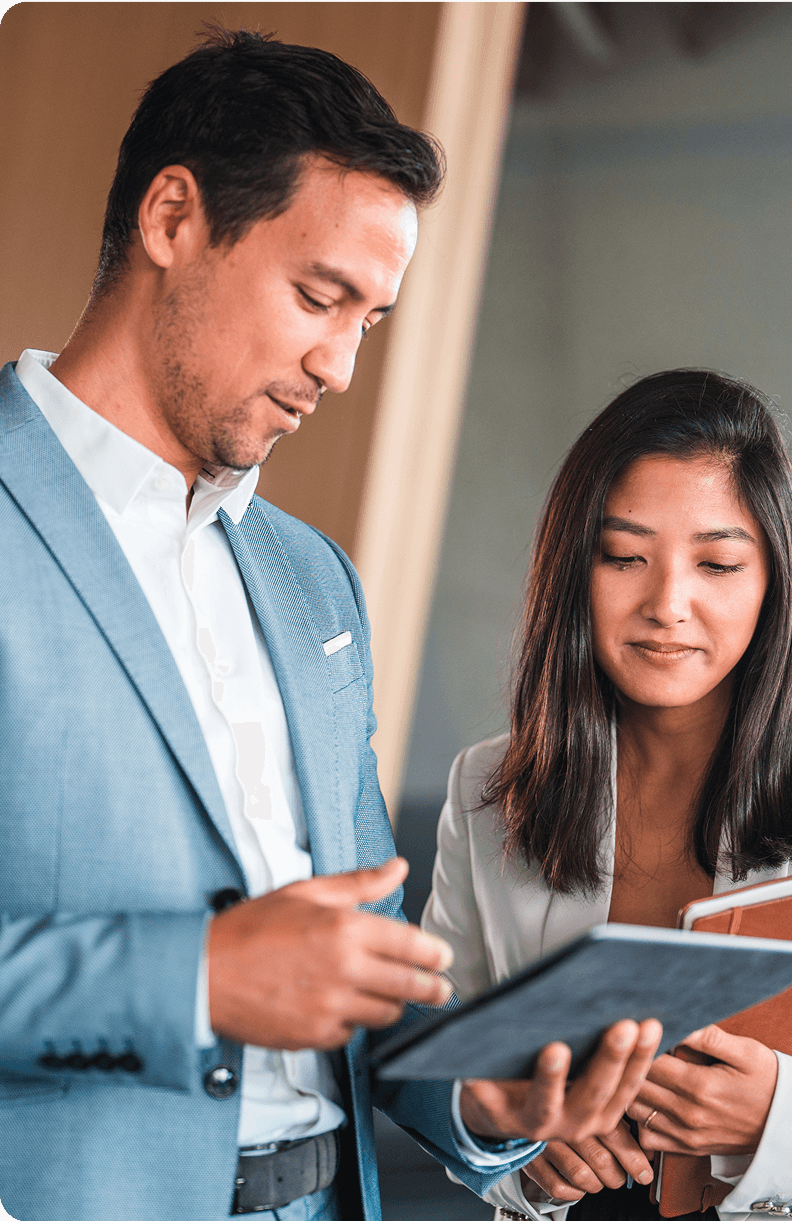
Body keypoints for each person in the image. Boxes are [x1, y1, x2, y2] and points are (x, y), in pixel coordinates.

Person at [0, 29, 663, 1221]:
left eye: (371, 319)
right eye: (320, 297)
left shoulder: (314, 582)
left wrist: (485, 1093)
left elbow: (358, 967)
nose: (341, 365)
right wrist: (199, 981)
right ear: (170, 219)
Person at [422, 369, 792, 1221]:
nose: (668, 605)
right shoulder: (484, 792)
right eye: (625, 557)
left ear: (773, 580)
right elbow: (442, 1073)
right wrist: (518, 1146)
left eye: (717, 562)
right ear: (576, 569)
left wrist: (779, 1118)